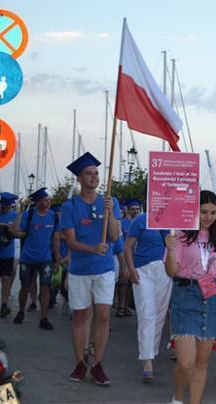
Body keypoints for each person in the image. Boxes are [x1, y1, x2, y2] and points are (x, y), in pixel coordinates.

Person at [164, 190, 216, 404]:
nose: (208, 217)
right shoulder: (180, 235)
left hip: (212, 298)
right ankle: (178, 398)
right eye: (204, 211)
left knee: (202, 362)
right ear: (194, 211)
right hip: (185, 295)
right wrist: (170, 250)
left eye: (213, 213)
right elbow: (171, 271)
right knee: (186, 362)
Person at [61, 152, 121, 386]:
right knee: (80, 315)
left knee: (104, 314)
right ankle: (80, 362)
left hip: (104, 268)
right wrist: (92, 248)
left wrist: (111, 213)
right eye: (89, 173)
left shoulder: (109, 202)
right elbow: (71, 242)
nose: (94, 177)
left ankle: (98, 364)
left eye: (96, 173)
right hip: (80, 270)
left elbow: (114, 236)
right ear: (79, 178)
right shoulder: (70, 206)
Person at [124, 208, 170, 382]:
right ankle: (147, 360)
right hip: (143, 271)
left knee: (159, 315)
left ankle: (152, 351)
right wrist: (131, 268)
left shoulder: (173, 221)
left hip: (165, 271)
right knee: (146, 314)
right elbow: (128, 247)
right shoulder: (141, 220)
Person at [12, 188, 59, 330]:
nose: (48, 202)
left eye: (49, 199)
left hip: (45, 258)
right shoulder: (29, 215)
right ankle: (21, 311)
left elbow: (55, 239)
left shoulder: (53, 216)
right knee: (25, 286)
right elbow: (17, 232)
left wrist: (57, 259)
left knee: (45, 287)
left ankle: (44, 318)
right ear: (38, 202)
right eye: (45, 200)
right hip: (28, 258)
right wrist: (20, 212)